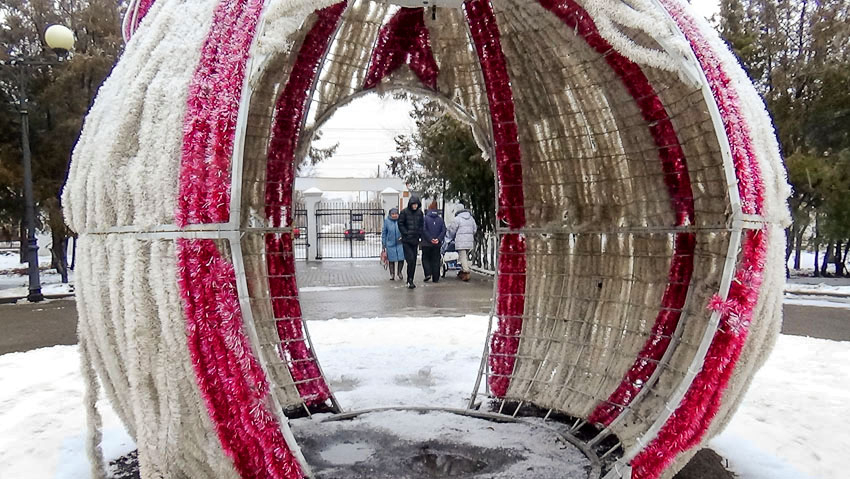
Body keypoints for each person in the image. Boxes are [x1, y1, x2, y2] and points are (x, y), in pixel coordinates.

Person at [397, 195, 424, 289]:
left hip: (415, 240)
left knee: (414, 262)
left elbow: (422, 224)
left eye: (416, 204)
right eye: (413, 204)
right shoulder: (404, 212)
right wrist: (405, 233)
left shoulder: (420, 213)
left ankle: (410, 279)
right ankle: (410, 279)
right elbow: (400, 223)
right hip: (407, 240)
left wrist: (420, 234)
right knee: (410, 260)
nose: (415, 206)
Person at [446, 204, 477, 281]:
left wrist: (449, 238)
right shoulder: (471, 218)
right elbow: (475, 229)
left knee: (462, 257)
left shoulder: (457, 219)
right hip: (469, 241)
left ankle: (466, 271)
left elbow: (452, 230)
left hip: (461, 241)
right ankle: (462, 271)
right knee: (464, 257)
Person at [421, 207, 446, 283]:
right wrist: (438, 239)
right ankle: (436, 277)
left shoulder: (425, 219)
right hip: (437, 244)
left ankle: (428, 273)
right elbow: (444, 230)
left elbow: (423, 230)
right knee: (436, 260)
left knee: (425, 259)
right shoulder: (440, 219)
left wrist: (430, 239)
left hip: (426, 243)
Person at [381, 208, 405, 281]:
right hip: (390, 244)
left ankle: (399, 272)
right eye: (393, 214)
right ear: (390, 214)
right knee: (391, 260)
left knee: (401, 259)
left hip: (400, 243)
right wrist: (384, 243)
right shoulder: (387, 221)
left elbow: (404, 230)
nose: (394, 215)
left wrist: (403, 237)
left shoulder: (401, 220)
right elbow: (384, 233)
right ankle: (392, 274)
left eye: (396, 214)